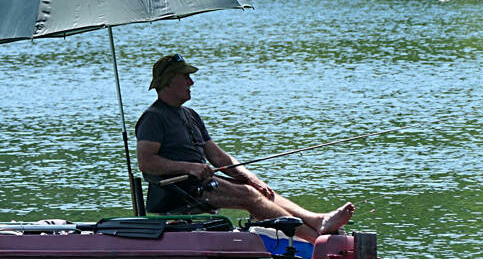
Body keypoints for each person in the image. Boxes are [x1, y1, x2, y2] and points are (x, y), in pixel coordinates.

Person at [134, 54, 353, 242]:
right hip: (179, 193)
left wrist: (252, 179)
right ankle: (317, 241)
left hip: (201, 185)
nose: (191, 82)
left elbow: (219, 157)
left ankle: (316, 220)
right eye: (185, 77)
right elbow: (147, 162)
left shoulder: (190, 115)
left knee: (256, 189)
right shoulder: (153, 118)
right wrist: (191, 167)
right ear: (168, 82)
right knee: (249, 196)